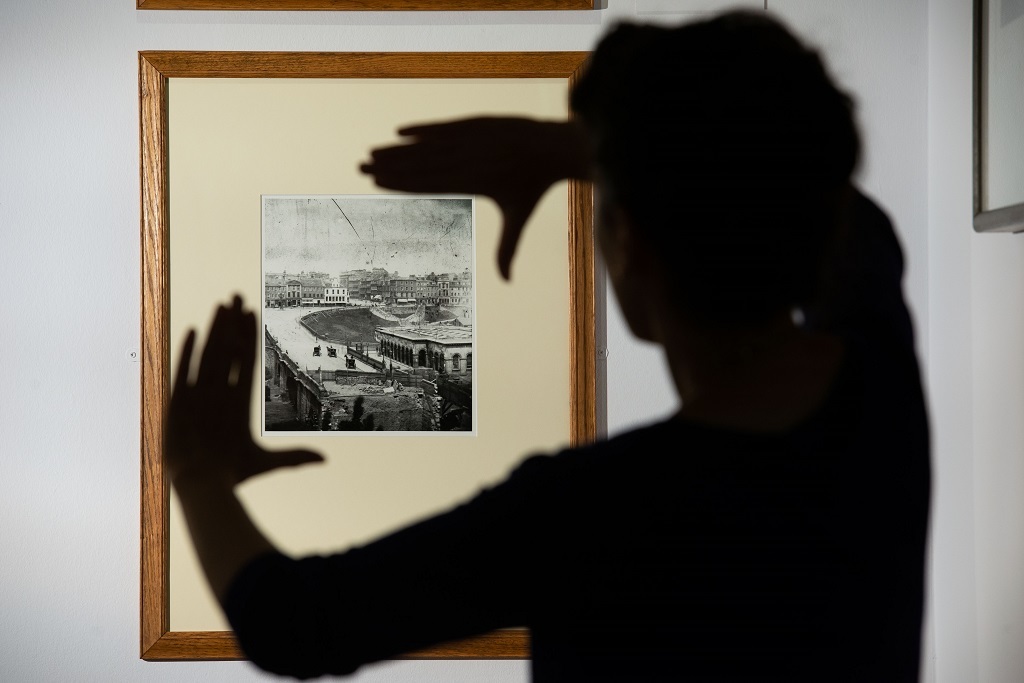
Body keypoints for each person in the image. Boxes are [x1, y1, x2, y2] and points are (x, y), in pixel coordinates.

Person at [166, 10, 930, 682]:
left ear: (627, 241)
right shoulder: (877, 396)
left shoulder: (592, 510)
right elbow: (843, 212)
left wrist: (197, 471)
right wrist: (592, 152)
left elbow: (293, 624)